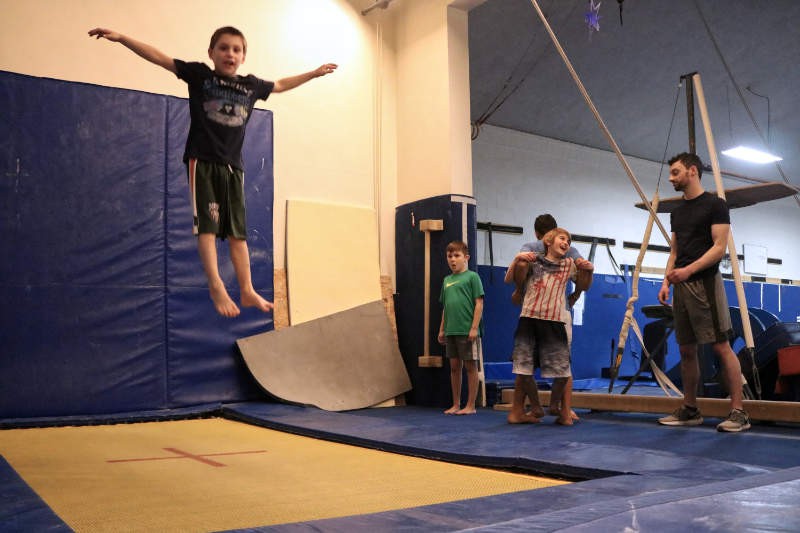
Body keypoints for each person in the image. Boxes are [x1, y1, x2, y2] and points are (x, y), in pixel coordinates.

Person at [88, 26, 337, 318]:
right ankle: (216, 284)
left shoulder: (251, 86)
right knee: (207, 227)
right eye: (223, 48)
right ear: (211, 53)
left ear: (243, 56)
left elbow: (280, 84)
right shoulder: (200, 76)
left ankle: (246, 288)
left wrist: (313, 73)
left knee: (238, 235)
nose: (229, 53)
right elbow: (160, 58)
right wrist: (123, 38)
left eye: (236, 49)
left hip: (234, 168)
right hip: (203, 162)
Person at [657, 152, 750, 432]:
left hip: (706, 283)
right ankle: (690, 408)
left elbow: (719, 248)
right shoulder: (677, 212)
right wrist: (666, 281)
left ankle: (739, 412)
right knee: (686, 349)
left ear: (692, 171)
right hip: (681, 286)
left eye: (676, 172)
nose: (671, 178)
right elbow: (674, 251)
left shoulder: (715, 205)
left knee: (721, 346)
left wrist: (689, 271)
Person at [505, 228, 593, 425]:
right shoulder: (532, 260)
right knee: (523, 369)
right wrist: (517, 259)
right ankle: (536, 405)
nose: (566, 243)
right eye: (562, 239)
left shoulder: (568, 264)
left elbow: (585, 284)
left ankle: (554, 405)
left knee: (562, 372)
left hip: (554, 322)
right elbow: (509, 278)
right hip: (529, 318)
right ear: (548, 241)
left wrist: (589, 272)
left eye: (569, 241)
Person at [437, 241, 485, 415]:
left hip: (467, 331)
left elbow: (479, 303)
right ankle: (456, 403)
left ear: (466, 258)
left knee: (470, 366)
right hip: (451, 330)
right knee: (454, 367)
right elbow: (446, 307)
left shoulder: (472, 277)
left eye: (456, 256)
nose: (453, 260)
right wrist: (442, 329)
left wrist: (474, 328)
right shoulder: (447, 280)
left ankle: (470, 405)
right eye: (449, 256)